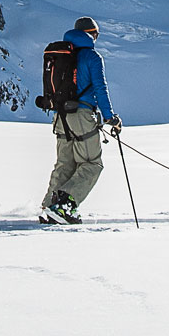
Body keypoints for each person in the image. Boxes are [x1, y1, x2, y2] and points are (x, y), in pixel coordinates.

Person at [40, 16, 118, 224]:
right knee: (92, 163)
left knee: (64, 163)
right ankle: (64, 206)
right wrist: (110, 117)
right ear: (91, 33)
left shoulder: (61, 54)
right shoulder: (92, 57)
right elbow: (100, 89)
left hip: (59, 116)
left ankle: (49, 206)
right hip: (82, 116)